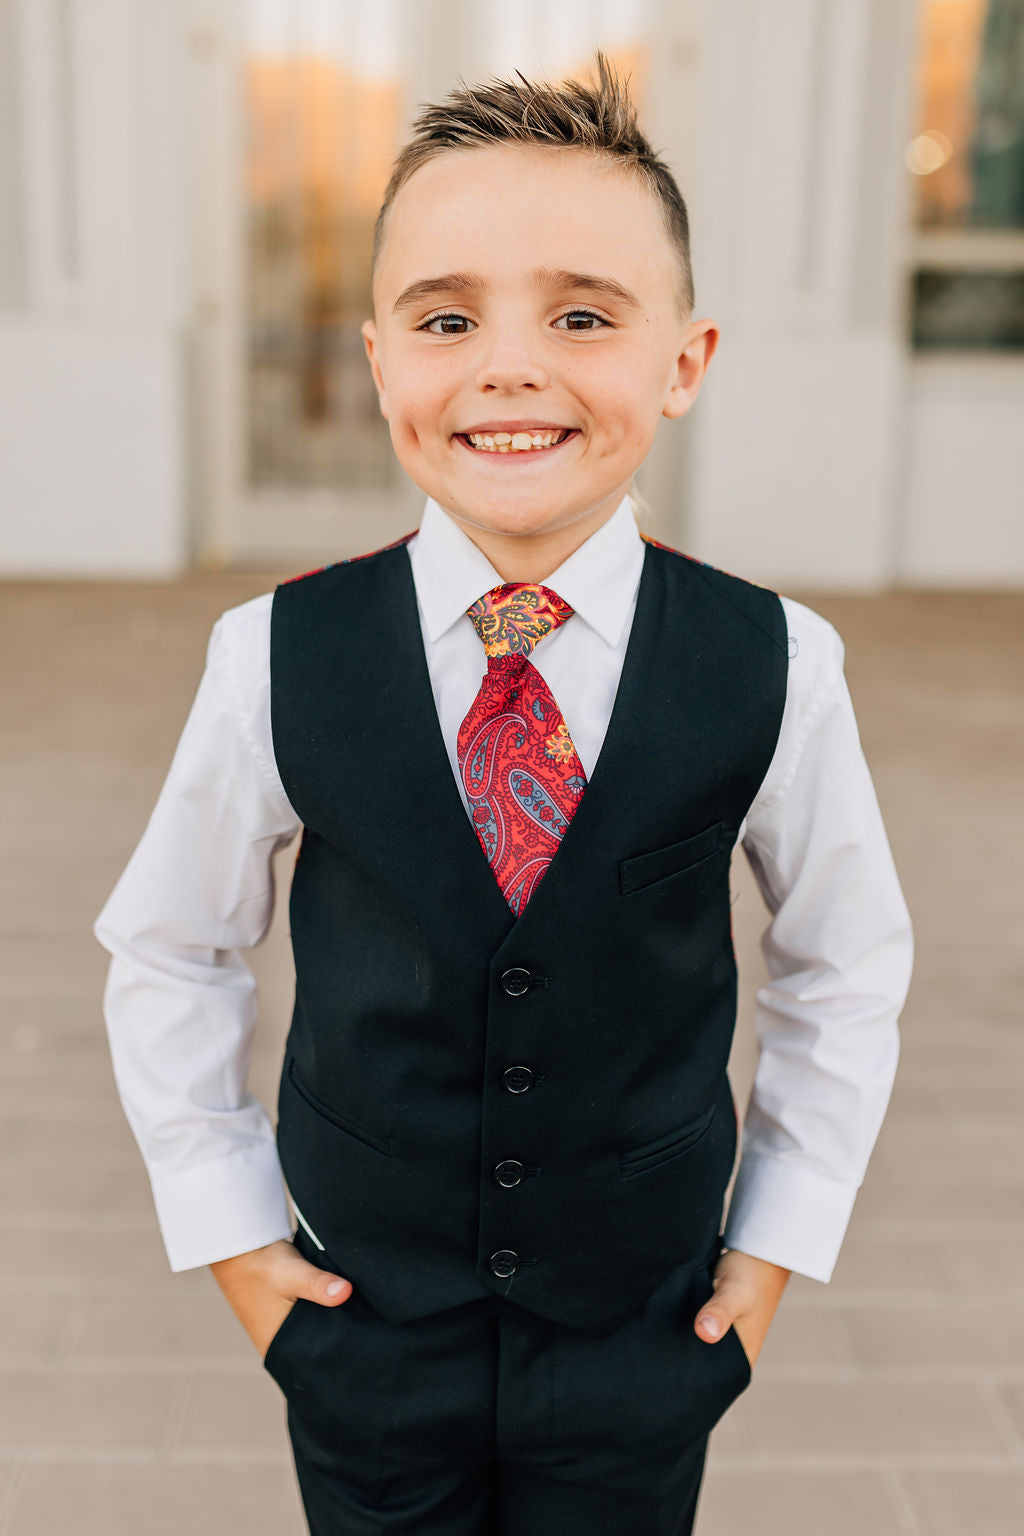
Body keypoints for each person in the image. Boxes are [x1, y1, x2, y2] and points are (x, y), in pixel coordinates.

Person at [94, 55, 912, 1536]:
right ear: (379, 363)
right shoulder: (272, 652)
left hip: (643, 1338)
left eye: (583, 317)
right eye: (447, 319)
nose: (510, 367)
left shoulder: (777, 661)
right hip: (362, 1336)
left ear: (684, 362)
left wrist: (777, 1249)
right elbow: (171, 943)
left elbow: (846, 959)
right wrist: (236, 1251)